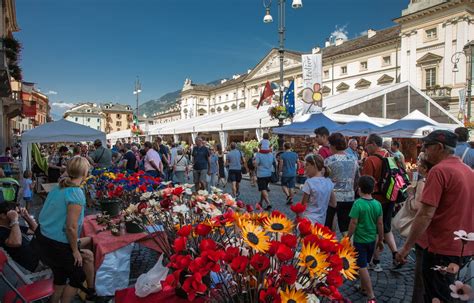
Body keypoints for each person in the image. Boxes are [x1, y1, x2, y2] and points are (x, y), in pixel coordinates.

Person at [396, 130, 474, 303]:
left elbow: (425, 214)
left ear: (439, 147)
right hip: (462, 247)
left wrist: (407, 246)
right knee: (452, 294)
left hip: (440, 247)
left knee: (437, 296)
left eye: (427, 147)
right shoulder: (468, 171)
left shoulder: (439, 171)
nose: (423, 151)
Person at [36, 157, 96, 303]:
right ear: (85, 172)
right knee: (78, 277)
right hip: (57, 244)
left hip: (44, 239)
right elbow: (71, 227)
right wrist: (75, 251)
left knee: (60, 279)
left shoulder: (59, 187)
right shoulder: (75, 192)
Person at [362, 134, 398, 271]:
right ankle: (395, 253)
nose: (365, 147)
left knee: (375, 230)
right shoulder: (390, 155)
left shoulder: (370, 160)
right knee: (386, 227)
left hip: (376, 199)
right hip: (390, 197)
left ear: (372, 144)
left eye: (366, 144)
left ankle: (376, 261)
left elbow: (366, 182)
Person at [347, 175, 384, 303]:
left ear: (359, 189)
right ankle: (363, 287)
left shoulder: (358, 204)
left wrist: (348, 237)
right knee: (366, 264)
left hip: (360, 241)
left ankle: (371, 295)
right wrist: (381, 239)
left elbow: (353, 223)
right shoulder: (378, 204)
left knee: (361, 266)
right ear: (373, 189)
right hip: (372, 240)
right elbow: (380, 223)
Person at [324, 133, 359, 234]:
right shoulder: (353, 159)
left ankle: (328, 247)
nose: (329, 147)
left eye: (330, 144)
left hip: (332, 198)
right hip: (349, 196)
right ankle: (349, 248)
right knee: (346, 228)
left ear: (334, 145)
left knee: (328, 227)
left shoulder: (328, 161)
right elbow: (357, 178)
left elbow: (325, 180)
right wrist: (351, 188)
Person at [0, 203, 39, 271]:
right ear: (3, 216)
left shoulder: (12, 226)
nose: (18, 216)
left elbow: (36, 231)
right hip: (35, 263)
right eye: (15, 213)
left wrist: (26, 216)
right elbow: (16, 243)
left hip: (41, 255)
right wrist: (14, 220)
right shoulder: (1, 231)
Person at [301, 154, 336, 224]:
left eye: (307, 165)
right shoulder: (328, 182)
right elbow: (333, 203)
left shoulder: (309, 182)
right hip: (321, 220)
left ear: (314, 166)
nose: (305, 167)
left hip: (308, 219)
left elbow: (303, 205)